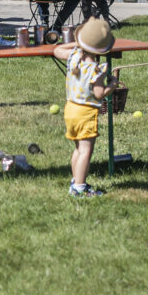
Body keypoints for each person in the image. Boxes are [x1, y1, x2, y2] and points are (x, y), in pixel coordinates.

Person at [52, 17, 118, 198]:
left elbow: (56, 49)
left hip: (70, 109)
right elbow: (98, 94)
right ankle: (80, 188)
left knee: (78, 149)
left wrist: (77, 45)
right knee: (86, 151)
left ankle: (76, 181)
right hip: (85, 112)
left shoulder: (74, 57)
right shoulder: (95, 69)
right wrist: (111, 86)